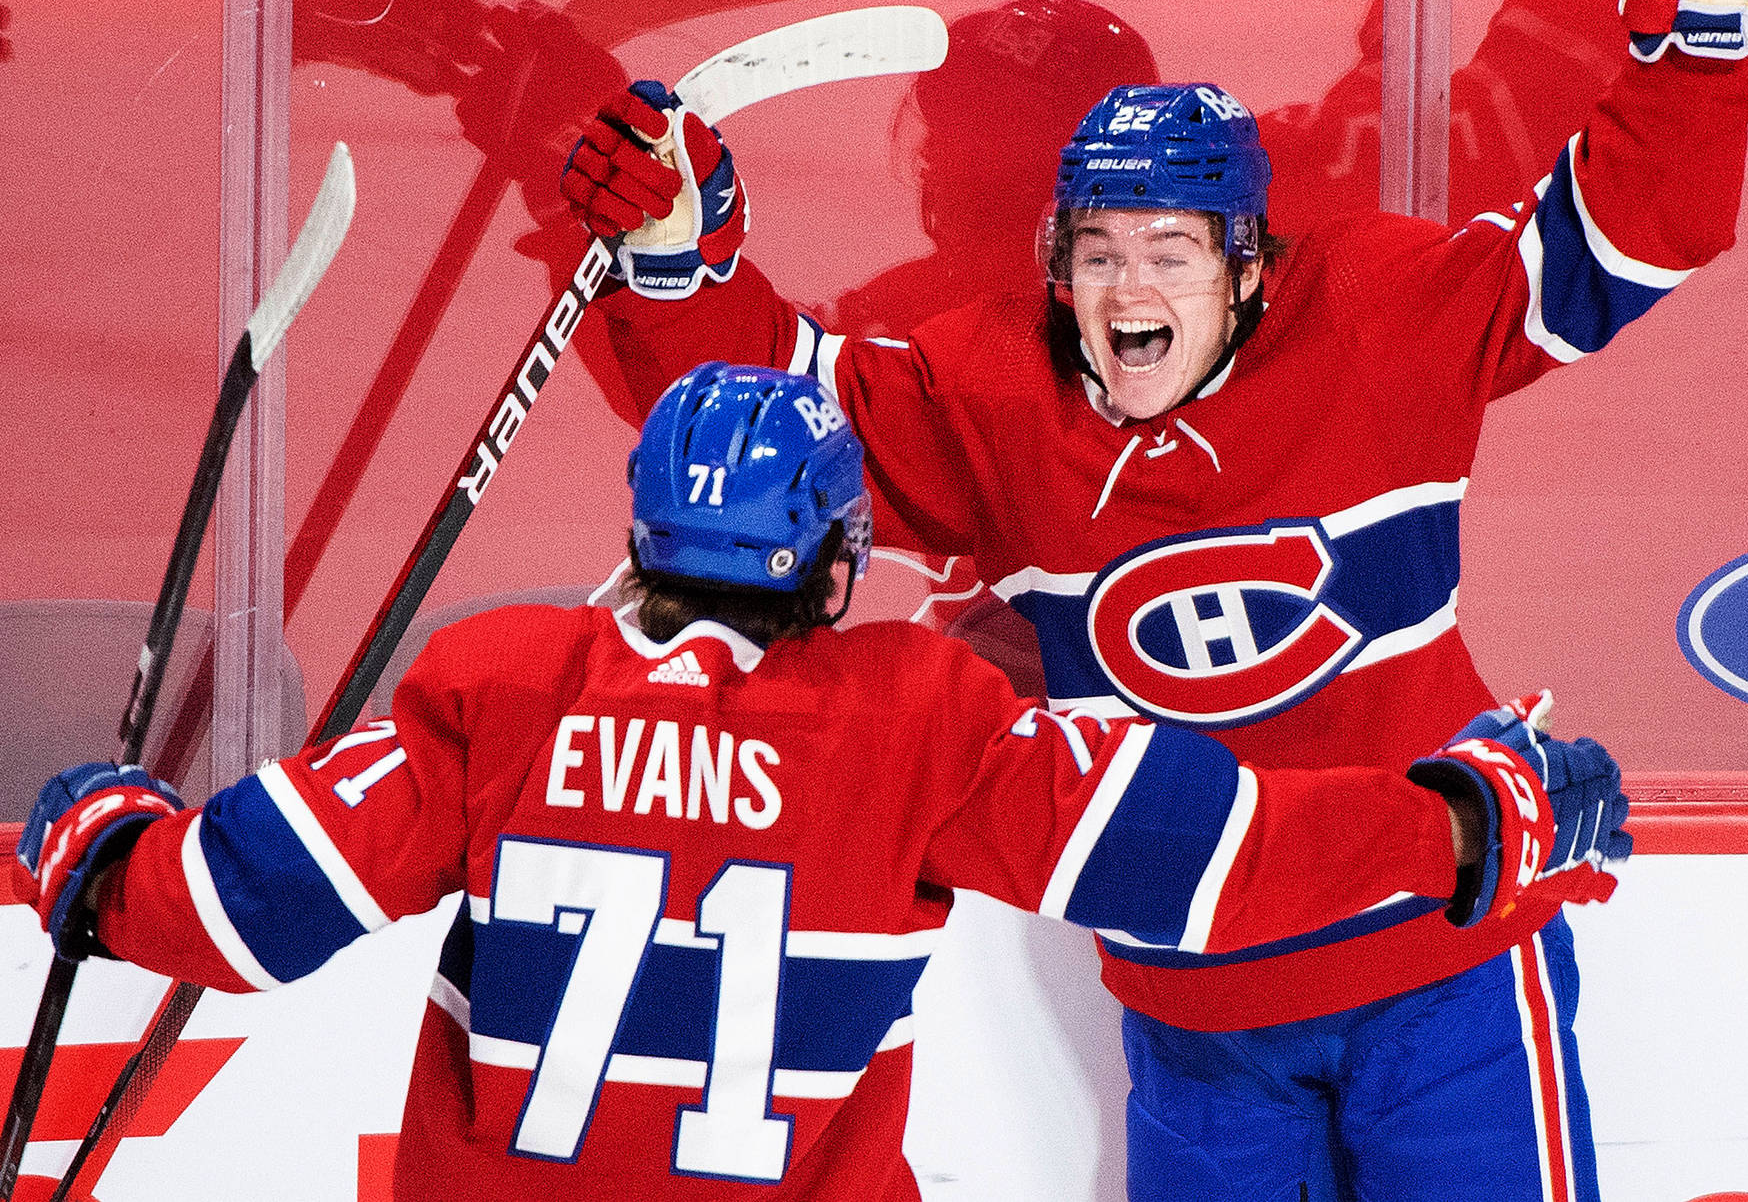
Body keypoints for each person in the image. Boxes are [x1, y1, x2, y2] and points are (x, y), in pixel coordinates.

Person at [556, 0, 1748, 1201]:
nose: (1127, 292)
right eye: (1096, 254)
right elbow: (783, 406)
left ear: (1246, 266)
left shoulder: (1377, 318)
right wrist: (682, 261)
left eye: (1168, 252)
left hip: (1448, 969)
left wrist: (1702, 51)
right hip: (1200, 1014)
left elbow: (1606, 248)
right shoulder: (994, 393)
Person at [14, 364, 1625, 1200]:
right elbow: (1205, 859)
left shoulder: (503, 684)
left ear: (644, 535)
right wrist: (1467, 816)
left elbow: (236, 913)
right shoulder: (913, 713)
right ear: (835, 557)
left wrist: (92, 845)